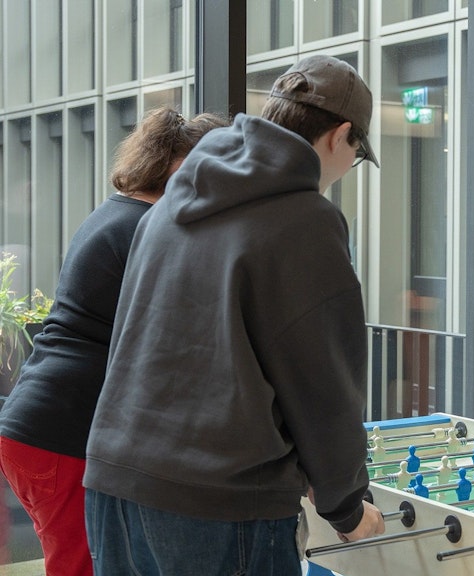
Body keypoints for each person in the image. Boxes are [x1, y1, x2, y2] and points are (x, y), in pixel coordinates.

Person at [82, 55, 386, 574]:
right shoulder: (307, 219)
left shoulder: (170, 202)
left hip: (115, 482)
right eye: (357, 153)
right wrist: (346, 505)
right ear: (340, 136)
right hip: (221, 506)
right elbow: (322, 379)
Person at [0, 107, 229, 576]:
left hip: (40, 425)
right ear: (184, 169)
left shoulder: (116, 213)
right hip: (63, 433)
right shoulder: (144, 229)